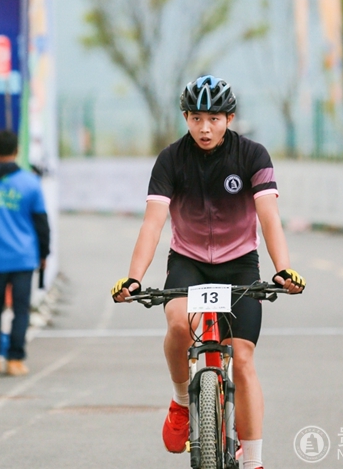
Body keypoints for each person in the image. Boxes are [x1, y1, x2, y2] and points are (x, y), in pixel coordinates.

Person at [111, 75, 305, 469]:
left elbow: (269, 217)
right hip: (189, 262)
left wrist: (283, 270)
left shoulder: (252, 155)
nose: (204, 128)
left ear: (229, 119)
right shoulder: (170, 159)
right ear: (185, 117)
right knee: (178, 323)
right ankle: (182, 401)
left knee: (243, 359)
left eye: (214, 119)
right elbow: (153, 223)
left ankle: (253, 461)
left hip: (240, 264)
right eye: (196, 118)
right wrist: (134, 277)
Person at [0, 130, 50, 376]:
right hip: (24, 257)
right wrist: (44, 254)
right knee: (20, 310)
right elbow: (41, 223)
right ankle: (15, 360)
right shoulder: (31, 183)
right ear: (17, 151)